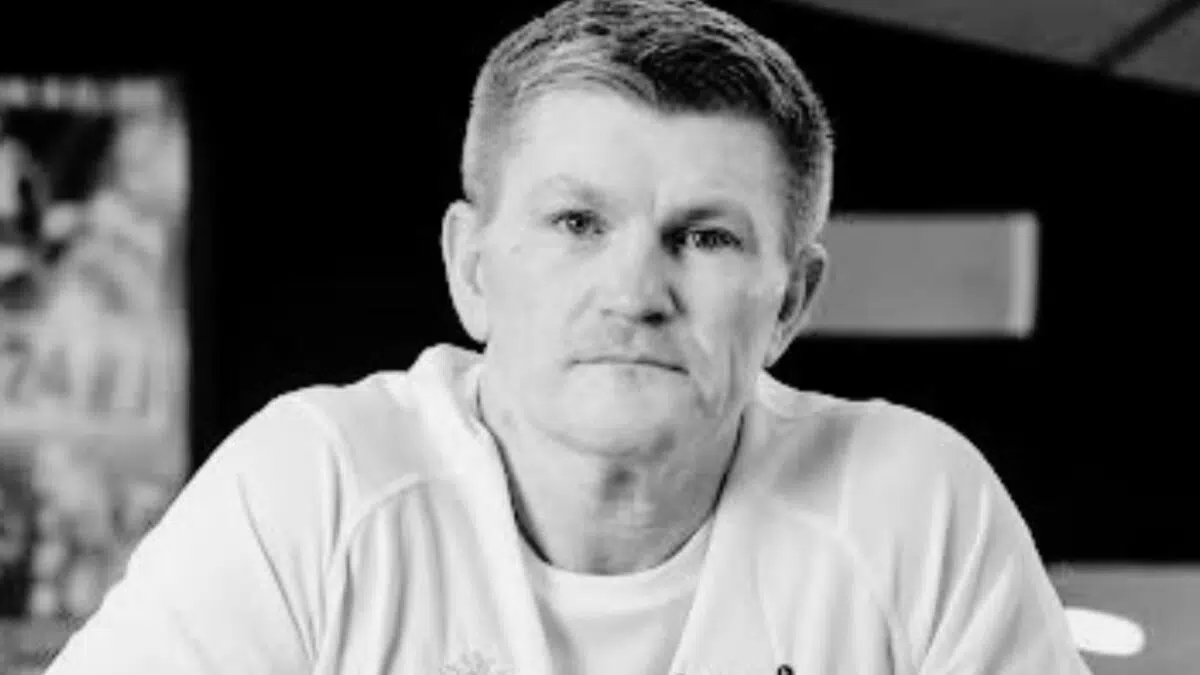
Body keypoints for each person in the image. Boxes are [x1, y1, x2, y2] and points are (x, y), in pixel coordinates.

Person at [44, 0, 1092, 673]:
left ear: (789, 304)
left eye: (706, 236)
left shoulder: (912, 505)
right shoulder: (315, 487)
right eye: (578, 223)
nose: (635, 292)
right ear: (472, 268)